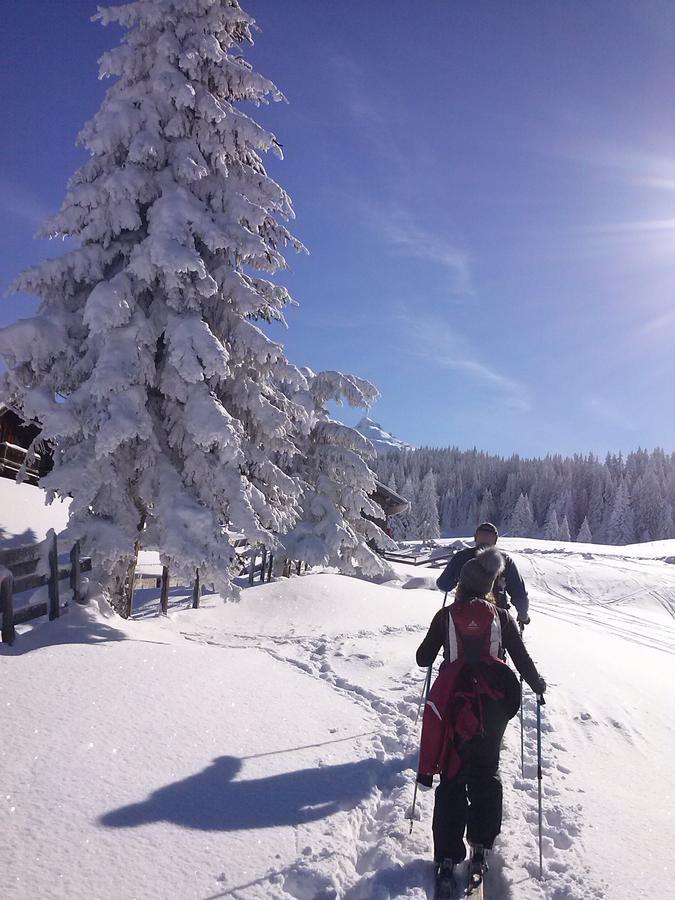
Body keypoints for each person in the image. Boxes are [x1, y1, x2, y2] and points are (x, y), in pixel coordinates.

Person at [416, 547, 546, 896]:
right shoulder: (501, 616)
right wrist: (538, 685)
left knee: (453, 776)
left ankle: (446, 856)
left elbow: (422, 658)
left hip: (456, 705)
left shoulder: (445, 616)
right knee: (486, 773)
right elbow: (520, 658)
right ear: (489, 585)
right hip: (492, 706)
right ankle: (480, 846)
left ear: (461, 584)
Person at [437, 522, 531, 627]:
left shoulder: (461, 557)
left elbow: (443, 584)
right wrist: (523, 615)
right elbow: (519, 593)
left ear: (475, 538)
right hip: (497, 619)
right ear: (495, 540)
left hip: (463, 617)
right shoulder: (506, 561)